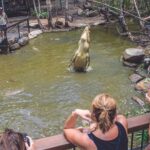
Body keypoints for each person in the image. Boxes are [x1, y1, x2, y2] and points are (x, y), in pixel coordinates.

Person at [64, 93, 128, 150]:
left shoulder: (88, 141)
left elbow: (67, 129)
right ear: (115, 113)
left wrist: (75, 113)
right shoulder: (122, 122)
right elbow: (116, 117)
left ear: (93, 114)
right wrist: (93, 122)